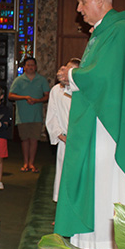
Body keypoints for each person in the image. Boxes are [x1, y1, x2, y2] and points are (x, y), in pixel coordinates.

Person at [55, 0, 125, 249]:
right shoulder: (101, 33)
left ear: (100, 0)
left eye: (83, 2)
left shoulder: (119, 31)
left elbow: (104, 76)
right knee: (96, 178)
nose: (78, 9)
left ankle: (105, 239)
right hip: (96, 122)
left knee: (105, 179)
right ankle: (91, 236)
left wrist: (71, 74)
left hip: (109, 126)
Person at [46, 59, 81, 202]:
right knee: (63, 177)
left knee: (79, 178)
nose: (67, 74)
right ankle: (61, 215)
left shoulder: (82, 90)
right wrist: (61, 135)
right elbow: (51, 117)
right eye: (66, 70)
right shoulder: (56, 90)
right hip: (64, 141)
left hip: (81, 141)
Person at [9, 57, 50, 173]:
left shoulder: (41, 80)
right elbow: (10, 96)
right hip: (22, 115)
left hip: (36, 115)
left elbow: (47, 96)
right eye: (28, 65)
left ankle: (32, 163)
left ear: (36, 67)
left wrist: (38, 100)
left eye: (32, 65)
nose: (30, 67)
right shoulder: (19, 80)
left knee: (34, 139)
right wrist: (24, 97)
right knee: (25, 140)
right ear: (24, 67)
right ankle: (25, 162)